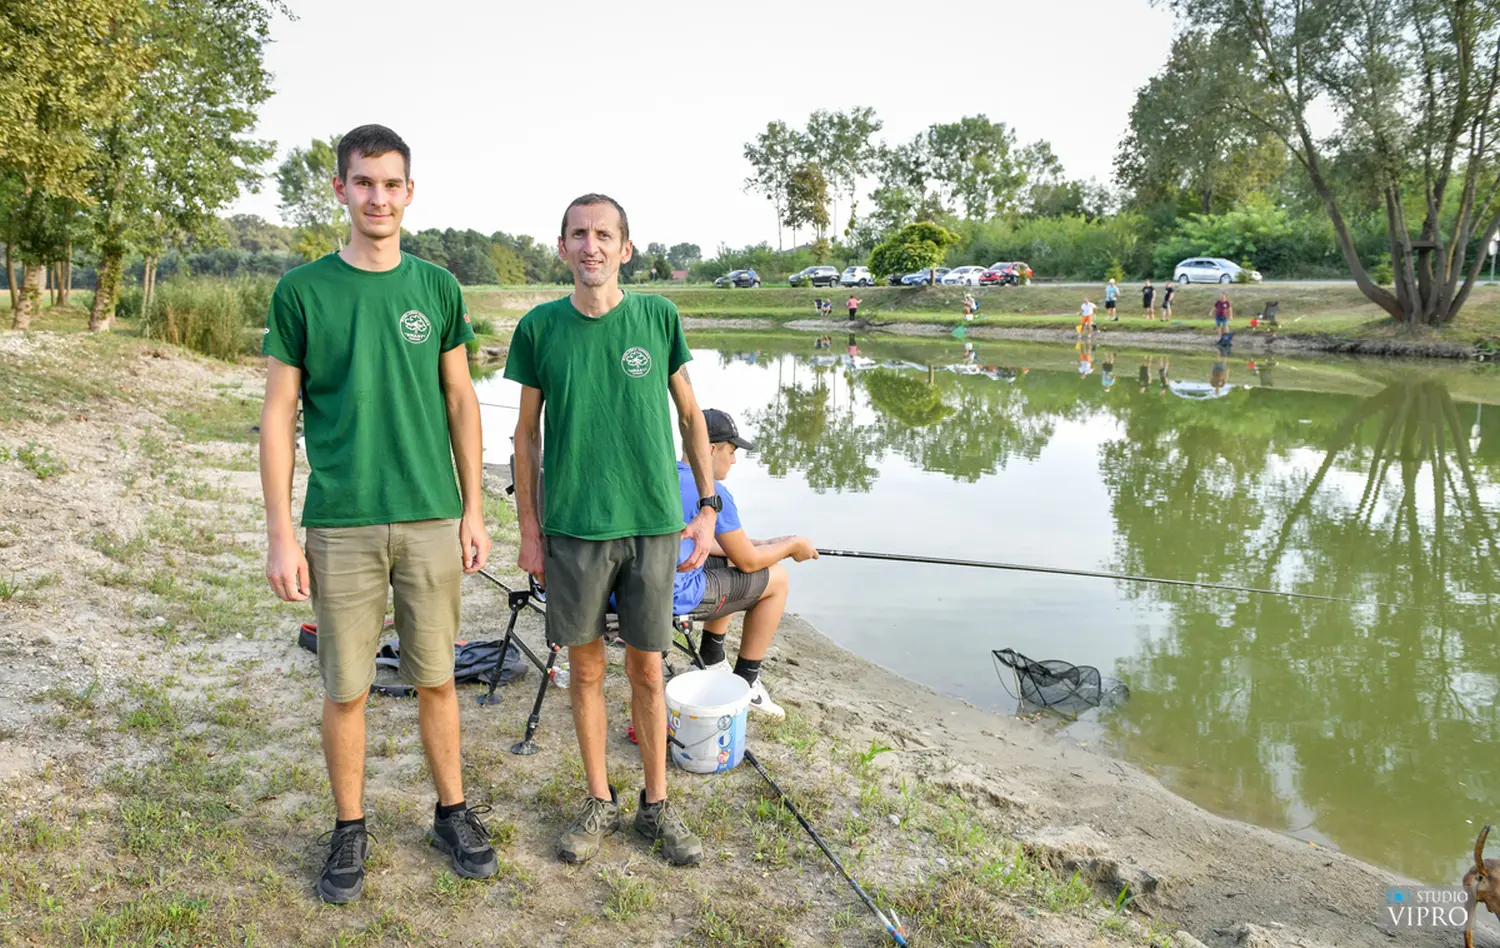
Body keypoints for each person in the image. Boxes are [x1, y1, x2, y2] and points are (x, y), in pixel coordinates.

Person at [259, 124, 498, 904]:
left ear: (410, 193)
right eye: (364, 182)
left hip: (431, 515)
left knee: (437, 680)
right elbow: (278, 416)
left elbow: (462, 400)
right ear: (341, 189)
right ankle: (349, 826)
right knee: (346, 687)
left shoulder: (436, 288)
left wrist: (472, 510)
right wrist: (281, 534)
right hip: (342, 521)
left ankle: (452, 813)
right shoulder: (303, 290)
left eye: (392, 184)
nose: (378, 197)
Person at [506, 193, 717, 869]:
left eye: (604, 235)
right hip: (574, 529)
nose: (590, 246)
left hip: (653, 524)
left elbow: (691, 418)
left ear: (625, 248)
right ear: (562, 247)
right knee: (586, 670)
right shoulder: (539, 329)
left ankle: (656, 807)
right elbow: (524, 437)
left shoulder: (658, 317)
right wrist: (530, 529)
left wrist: (708, 506)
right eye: (578, 235)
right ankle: (599, 799)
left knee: (649, 669)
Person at [671, 409, 817, 717]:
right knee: (777, 579)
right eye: (732, 452)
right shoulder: (713, 492)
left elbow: (706, 542)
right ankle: (748, 682)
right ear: (711, 449)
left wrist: (763, 543)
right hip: (674, 594)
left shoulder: (664, 474)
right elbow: (748, 563)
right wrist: (792, 545)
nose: (734, 461)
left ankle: (711, 657)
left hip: (646, 580)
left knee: (728, 559)